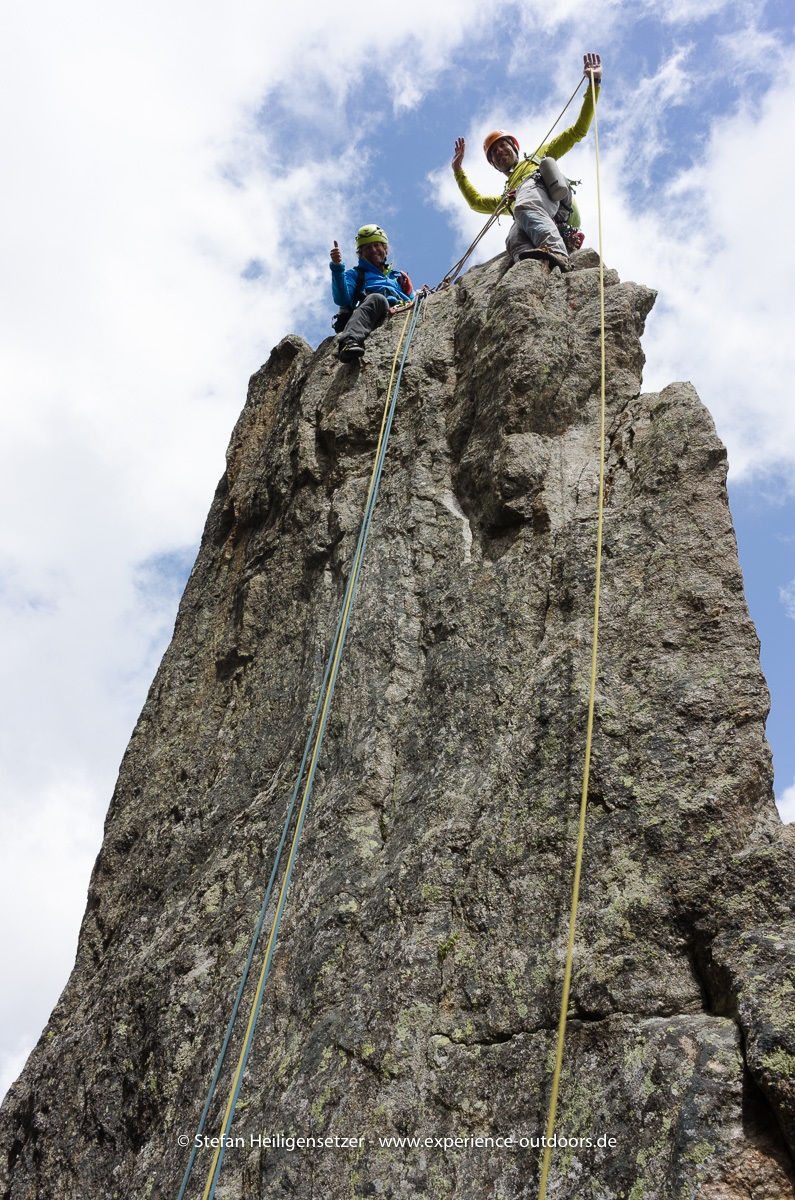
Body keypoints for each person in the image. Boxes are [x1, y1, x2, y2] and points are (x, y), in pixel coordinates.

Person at [451, 54, 602, 272]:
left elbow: (578, 130)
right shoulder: (508, 197)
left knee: (523, 204)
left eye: (503, 146)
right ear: (494, 163)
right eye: (494, 152)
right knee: (513, 237)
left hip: (552, 197)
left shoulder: (537, 157)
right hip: (537, 212)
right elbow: (475, 202)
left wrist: (594, 84)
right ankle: (532, 268)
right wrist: (458, 172)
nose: (500, 151)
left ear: (515, 148)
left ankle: (557, 253)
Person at [330, 225, 415, 363]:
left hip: (401, 311)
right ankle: (348, 341)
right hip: (373, 311)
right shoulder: (356, 274)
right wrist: (337, 267)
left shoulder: (399, 277)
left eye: (377, 245)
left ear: (385, 249)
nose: (374, 250)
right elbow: (341, 299)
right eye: (368, 248)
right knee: (377, 299)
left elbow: (413, 300)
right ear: (361, 254)